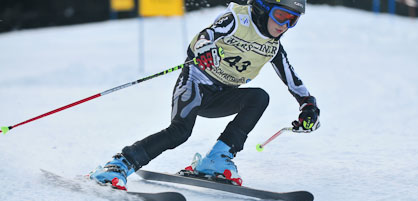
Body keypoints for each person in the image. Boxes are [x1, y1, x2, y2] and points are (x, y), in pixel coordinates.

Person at [90, 0, 320, 190]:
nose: (285, 25)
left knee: (259, 97)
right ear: (263, 7)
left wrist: (308, 106)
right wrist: (204, 49)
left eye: (293, 20)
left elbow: (293, 81)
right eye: (281, 15)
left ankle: (215, 160)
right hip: (196, 84)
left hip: (222, 95)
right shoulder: (237, 20)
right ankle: (119, 164)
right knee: (179, 132)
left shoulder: (273, 46)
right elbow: (203, 38)